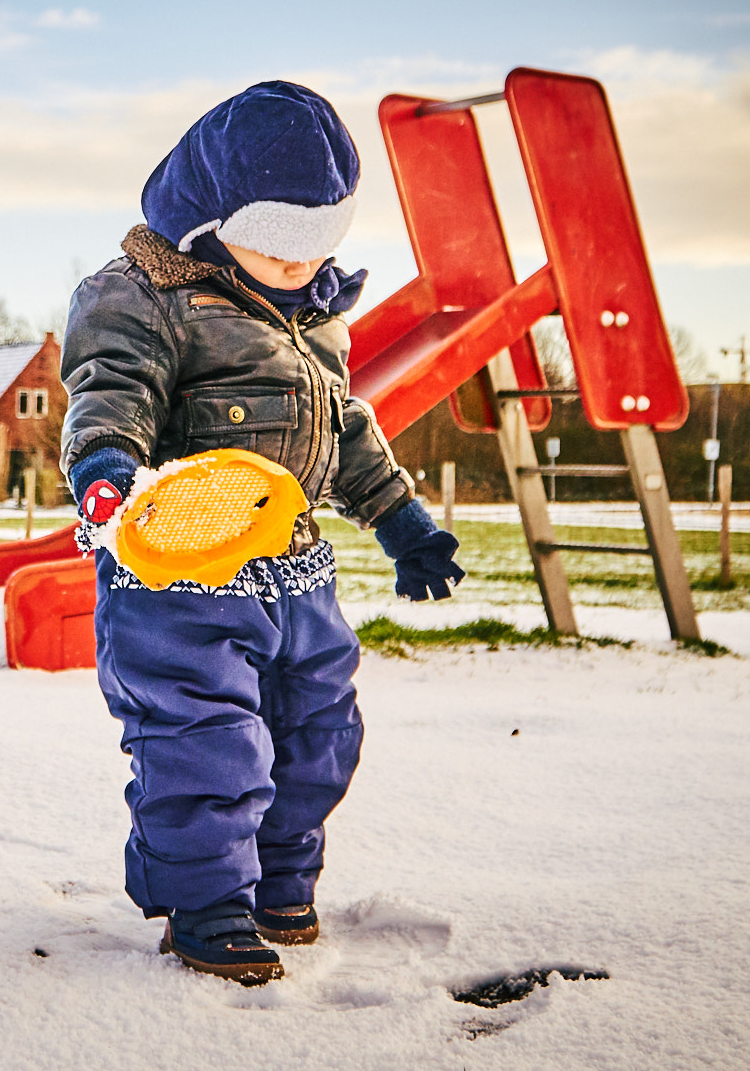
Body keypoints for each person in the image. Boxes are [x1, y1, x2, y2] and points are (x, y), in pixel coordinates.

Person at [59, 80, 464, 985]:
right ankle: (207, 905)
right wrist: (105, 477)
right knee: (203, 742)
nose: (297, 265)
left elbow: (341, 426)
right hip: (178, 575)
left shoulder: (311, 313)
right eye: (277, 241)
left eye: (317, 243)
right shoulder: (140, 296)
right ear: (208, 216)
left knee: (318, 729)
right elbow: (108, 391)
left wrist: (402, 521)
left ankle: (279, 879)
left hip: (296, 571)